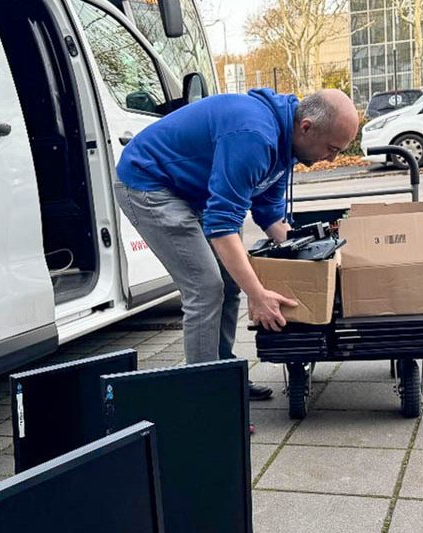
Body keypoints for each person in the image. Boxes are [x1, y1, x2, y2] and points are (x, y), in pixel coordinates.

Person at [114, 88, 359, 400]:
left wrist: (311, 259)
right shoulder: (254, 136)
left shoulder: (287, 141)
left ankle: (224, 374)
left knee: (230, 280)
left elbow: (270, 213)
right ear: (307, 127)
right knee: (205, 288)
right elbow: (222, 225)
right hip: (148, 182)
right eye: (331, 149)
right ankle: (207, 400)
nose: (333, 158)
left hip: (190, 190)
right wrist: (257, 295)